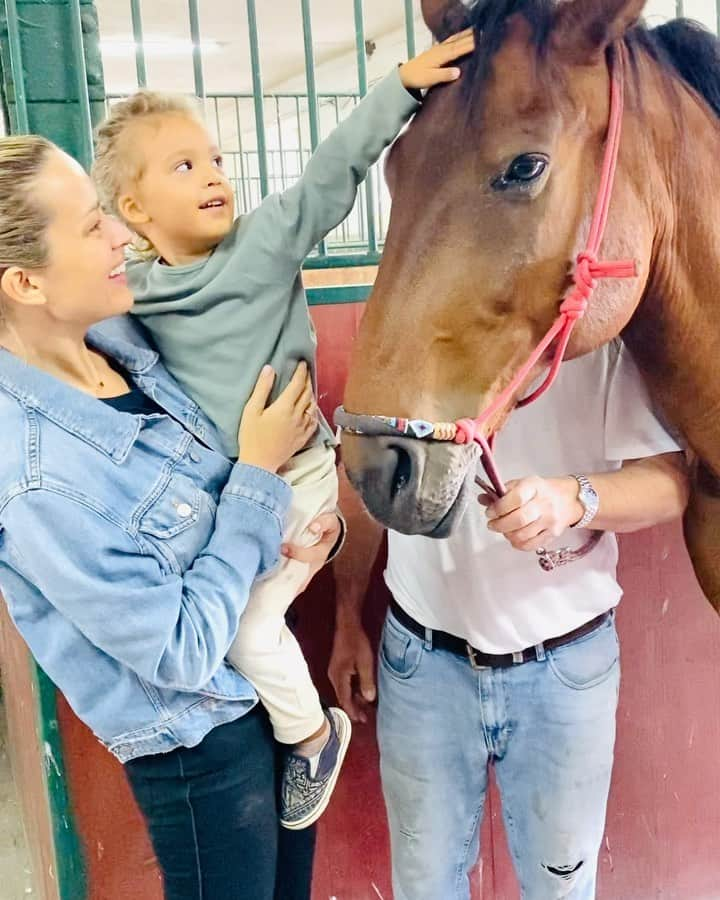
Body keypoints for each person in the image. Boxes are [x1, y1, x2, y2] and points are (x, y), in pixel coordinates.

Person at [91, 28, 474, 829]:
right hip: (230, 490)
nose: (214, 176)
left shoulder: (262, 246)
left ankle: (308, 738)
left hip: (296, 474)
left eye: (217, 161)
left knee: (248, 629)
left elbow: (332, 173)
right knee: (198, 617)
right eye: (185, 166)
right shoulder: (132, 295)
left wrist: (401, 86)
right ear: (133, 210)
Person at [0, 134, 340, 900]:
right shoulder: (35, 479)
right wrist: (256, 476)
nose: (122, 234)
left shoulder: (119, 338)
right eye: (92, 225)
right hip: (200, 750)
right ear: (25, 282)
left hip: (266, 691)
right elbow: (181, 651)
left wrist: (287, 541)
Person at [330, 340, 689, 899]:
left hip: (566, 669)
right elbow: (366, 486)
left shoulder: (602, 338)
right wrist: (347, 615)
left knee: (562, 889)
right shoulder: (409, 326)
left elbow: (669, 481)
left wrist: (574, 499)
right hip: (422, 664)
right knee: (423, 887)